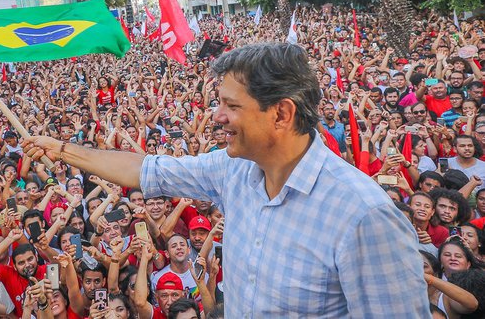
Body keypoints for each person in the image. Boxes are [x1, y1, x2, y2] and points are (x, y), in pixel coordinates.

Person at [23, 43, 430, 317]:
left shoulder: (364, 216)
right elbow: (146, 170)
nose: (217, 116)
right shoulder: (232, 169)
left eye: (230, 106)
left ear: (281, 114)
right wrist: (61, 150)